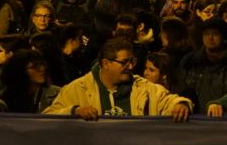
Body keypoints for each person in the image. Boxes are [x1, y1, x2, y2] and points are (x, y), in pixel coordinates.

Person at [44, 37, 193, 120]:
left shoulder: (144, 87)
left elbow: (168, 100)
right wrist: (74, 111)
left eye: (132, 61)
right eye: (124, 62)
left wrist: (180, 105)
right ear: (105, 64)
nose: (130, 67)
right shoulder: (78, 88)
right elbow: (48, 118)